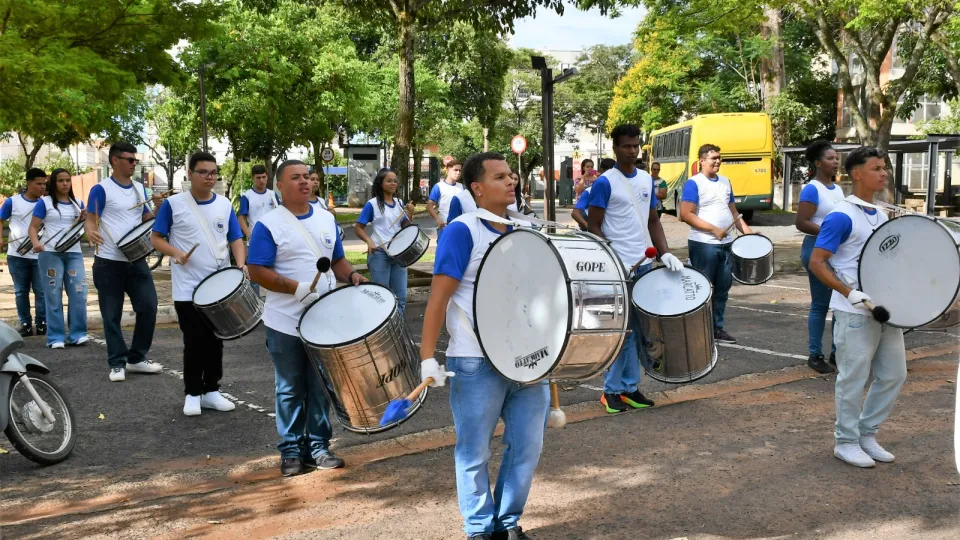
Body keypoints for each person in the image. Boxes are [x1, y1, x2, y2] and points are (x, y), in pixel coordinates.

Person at [420, 151, 546, 540]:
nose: (511, 181)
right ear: (476, 187)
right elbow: (438, 299)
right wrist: (427, 357)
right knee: (474, 453)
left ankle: (506, 524)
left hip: (529, 359)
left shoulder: (526, 230)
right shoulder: (463, 230)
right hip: (476, 360)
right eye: (499, 177)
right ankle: (478, 528)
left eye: (511, 175)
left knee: (526, 449)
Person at [247, 159, 365, 477]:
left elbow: (337, 259)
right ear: (280, 187)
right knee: (289, 387)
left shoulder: (326, 220)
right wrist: (294, 288)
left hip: (323, 319)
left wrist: (352, 275)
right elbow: (256, 270)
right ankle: (290, 451)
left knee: (320, 386)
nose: (303, 182)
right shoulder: (268, 224)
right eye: (294, 178)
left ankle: (318, 447)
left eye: (306, 177)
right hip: (284, 320)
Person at [808, 146, 906, 468]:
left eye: (884, 168)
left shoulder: (880, 214)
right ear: (857, 174)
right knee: (852, 378)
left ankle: (866, 434)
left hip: (885, 311)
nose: (884, 173)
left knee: (894, 374)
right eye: (877, 168)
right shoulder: (841, 214)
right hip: (854, 312)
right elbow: (817, 262)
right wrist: (850, 293)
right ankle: (845, 441)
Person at [587, 124, 684, 414]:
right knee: (620, 331)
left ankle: (630, 388)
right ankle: (610, 391)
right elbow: (594, 226)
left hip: (643, 266)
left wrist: (666, 253)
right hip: (618, 268)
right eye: (626, 146)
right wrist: (611, 261)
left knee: (640, 330)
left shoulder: (645, 179)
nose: (632, 150)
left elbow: (653, 220)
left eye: (635, 145)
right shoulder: (605, 182)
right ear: (614, 147)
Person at [150, 152, 246, 417]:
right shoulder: (174, 204)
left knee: (217, 340)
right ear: (190, 174)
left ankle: (212, 390)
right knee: (194, 341)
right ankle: (193, 393)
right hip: (187, 288)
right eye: (203, 172)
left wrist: (240, 265)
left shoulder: (225, 204)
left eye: (213, 172)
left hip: (219, 287)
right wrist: (175, 253)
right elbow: (156, 238)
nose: (209, 177)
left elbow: (235, 238)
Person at [85, 141, 165, 382]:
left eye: (135, 160)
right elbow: (90, 220)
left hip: (136, 259)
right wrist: (90, 231)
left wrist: (159, 207)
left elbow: (147, 219)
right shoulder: (101, 189)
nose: (134, 164)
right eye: (130, 160)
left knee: (149, 307)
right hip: (108, 261)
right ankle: (117, 362)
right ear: (115, 161)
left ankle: (137, 358)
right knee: (111, 315)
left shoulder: (140, 189)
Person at [679, 144, 753, 345]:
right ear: (702, 161)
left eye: (720, 158)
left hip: (726, 244)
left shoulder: (725, 182)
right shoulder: (694, 183)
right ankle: (696, 331)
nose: (718, 161)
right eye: (714, 158)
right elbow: (685, 214)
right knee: (702, 289)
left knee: (722, 289)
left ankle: (716, 329)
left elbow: (733, 211)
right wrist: (713, 229)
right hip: (704, 245)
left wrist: (747, 232)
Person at [795, 140, 844, 374]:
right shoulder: (812, 189)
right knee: (821, 305)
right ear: (817, 163)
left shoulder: (838, 189)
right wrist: (829, 232)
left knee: (839, 304)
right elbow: (802, 222)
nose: (835, 162)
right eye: (830, 158)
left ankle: (838, 351)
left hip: (836, 251)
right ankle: (815, 355)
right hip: (816, 249)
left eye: (836, 158)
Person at [28, 168, 88, 348]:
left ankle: (77, 334)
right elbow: (32, 227)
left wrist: (82, 221)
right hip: (50, 253)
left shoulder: (78, 203)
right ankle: (55, 337)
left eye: (68, 180)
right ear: (54, 183)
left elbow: (78, 229)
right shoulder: (44, 203)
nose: (65, 184)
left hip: (74, 252)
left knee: (79, 292)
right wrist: (36, 243)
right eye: (61, 180)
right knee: (53, 294)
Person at [355, 168, 414, 312]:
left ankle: (398, 330)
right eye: (389, 181)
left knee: (400, 296)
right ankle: (382, 331)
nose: (393, 183)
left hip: (399, 254)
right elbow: (358, 228)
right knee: (382, 296)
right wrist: (369, 242)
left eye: (395, 181)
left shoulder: (400, 203)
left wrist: (410, 214)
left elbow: (407, 227)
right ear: (380, 183)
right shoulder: (372, 204)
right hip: (380, 253)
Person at [1, 168, 47, 337]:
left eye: (44, 184)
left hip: (41, 255)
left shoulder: (47, 202)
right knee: (21, 291)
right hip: (17, 255)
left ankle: (42, 322)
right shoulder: (12, 202)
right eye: (38, 183)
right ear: (28, 183)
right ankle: (25, 323)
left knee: (41, 291)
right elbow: (0, 219)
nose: (42, 187)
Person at [238, 164, 280, 239]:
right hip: (255, 237)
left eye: (264, 177)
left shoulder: (273, 194)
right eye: (258, 178)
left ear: (267, 177)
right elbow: (241, 219)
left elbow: (280, 214)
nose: (261, 180)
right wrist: (248, 234)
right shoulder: (247, 196)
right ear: (252, 178)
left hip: (273, 237)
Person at [427, 158, 464, 232]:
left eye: (460, 170)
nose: (458, 173)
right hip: (444, 227)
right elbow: (429, 206)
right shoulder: (439, 186)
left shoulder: (462, 187)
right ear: (447, 170)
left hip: (460, 226)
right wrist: (438, 219)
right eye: (455, 170)